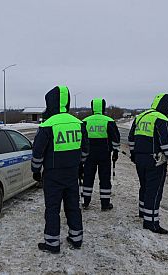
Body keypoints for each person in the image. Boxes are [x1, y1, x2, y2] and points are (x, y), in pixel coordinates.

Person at [31, 86, 89, 254]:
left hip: (53, 175)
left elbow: (38, 152)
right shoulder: (79, 124)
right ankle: (76, 239)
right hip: (72, 173)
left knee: (52, 209)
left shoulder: (48, 125)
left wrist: (35, 170)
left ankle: (52, 244)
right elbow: (85, 150)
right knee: (73, 206)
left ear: (51, 102)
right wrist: (79, 165)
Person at [128, 93, 168, 234]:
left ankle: (143, 212)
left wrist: (134, 155)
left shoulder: (140, 117)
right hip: (155, 161)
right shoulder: (161, 119)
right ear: (165, 107)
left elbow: (131, 139)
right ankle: (151, 223)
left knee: (144, 187)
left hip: (140, 159)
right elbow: (167, 144)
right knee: (154, 191)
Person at [81, 98, 120, 210]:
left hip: (89, 155)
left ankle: (86, 202)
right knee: (104, 179)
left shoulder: (85, 121)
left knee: (88, 178)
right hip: (104, 155)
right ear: (103, 107)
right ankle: (105, 204)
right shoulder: (108, 121)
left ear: (92, 107)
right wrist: (115, 152)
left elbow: (81, 140)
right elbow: (115, 139)